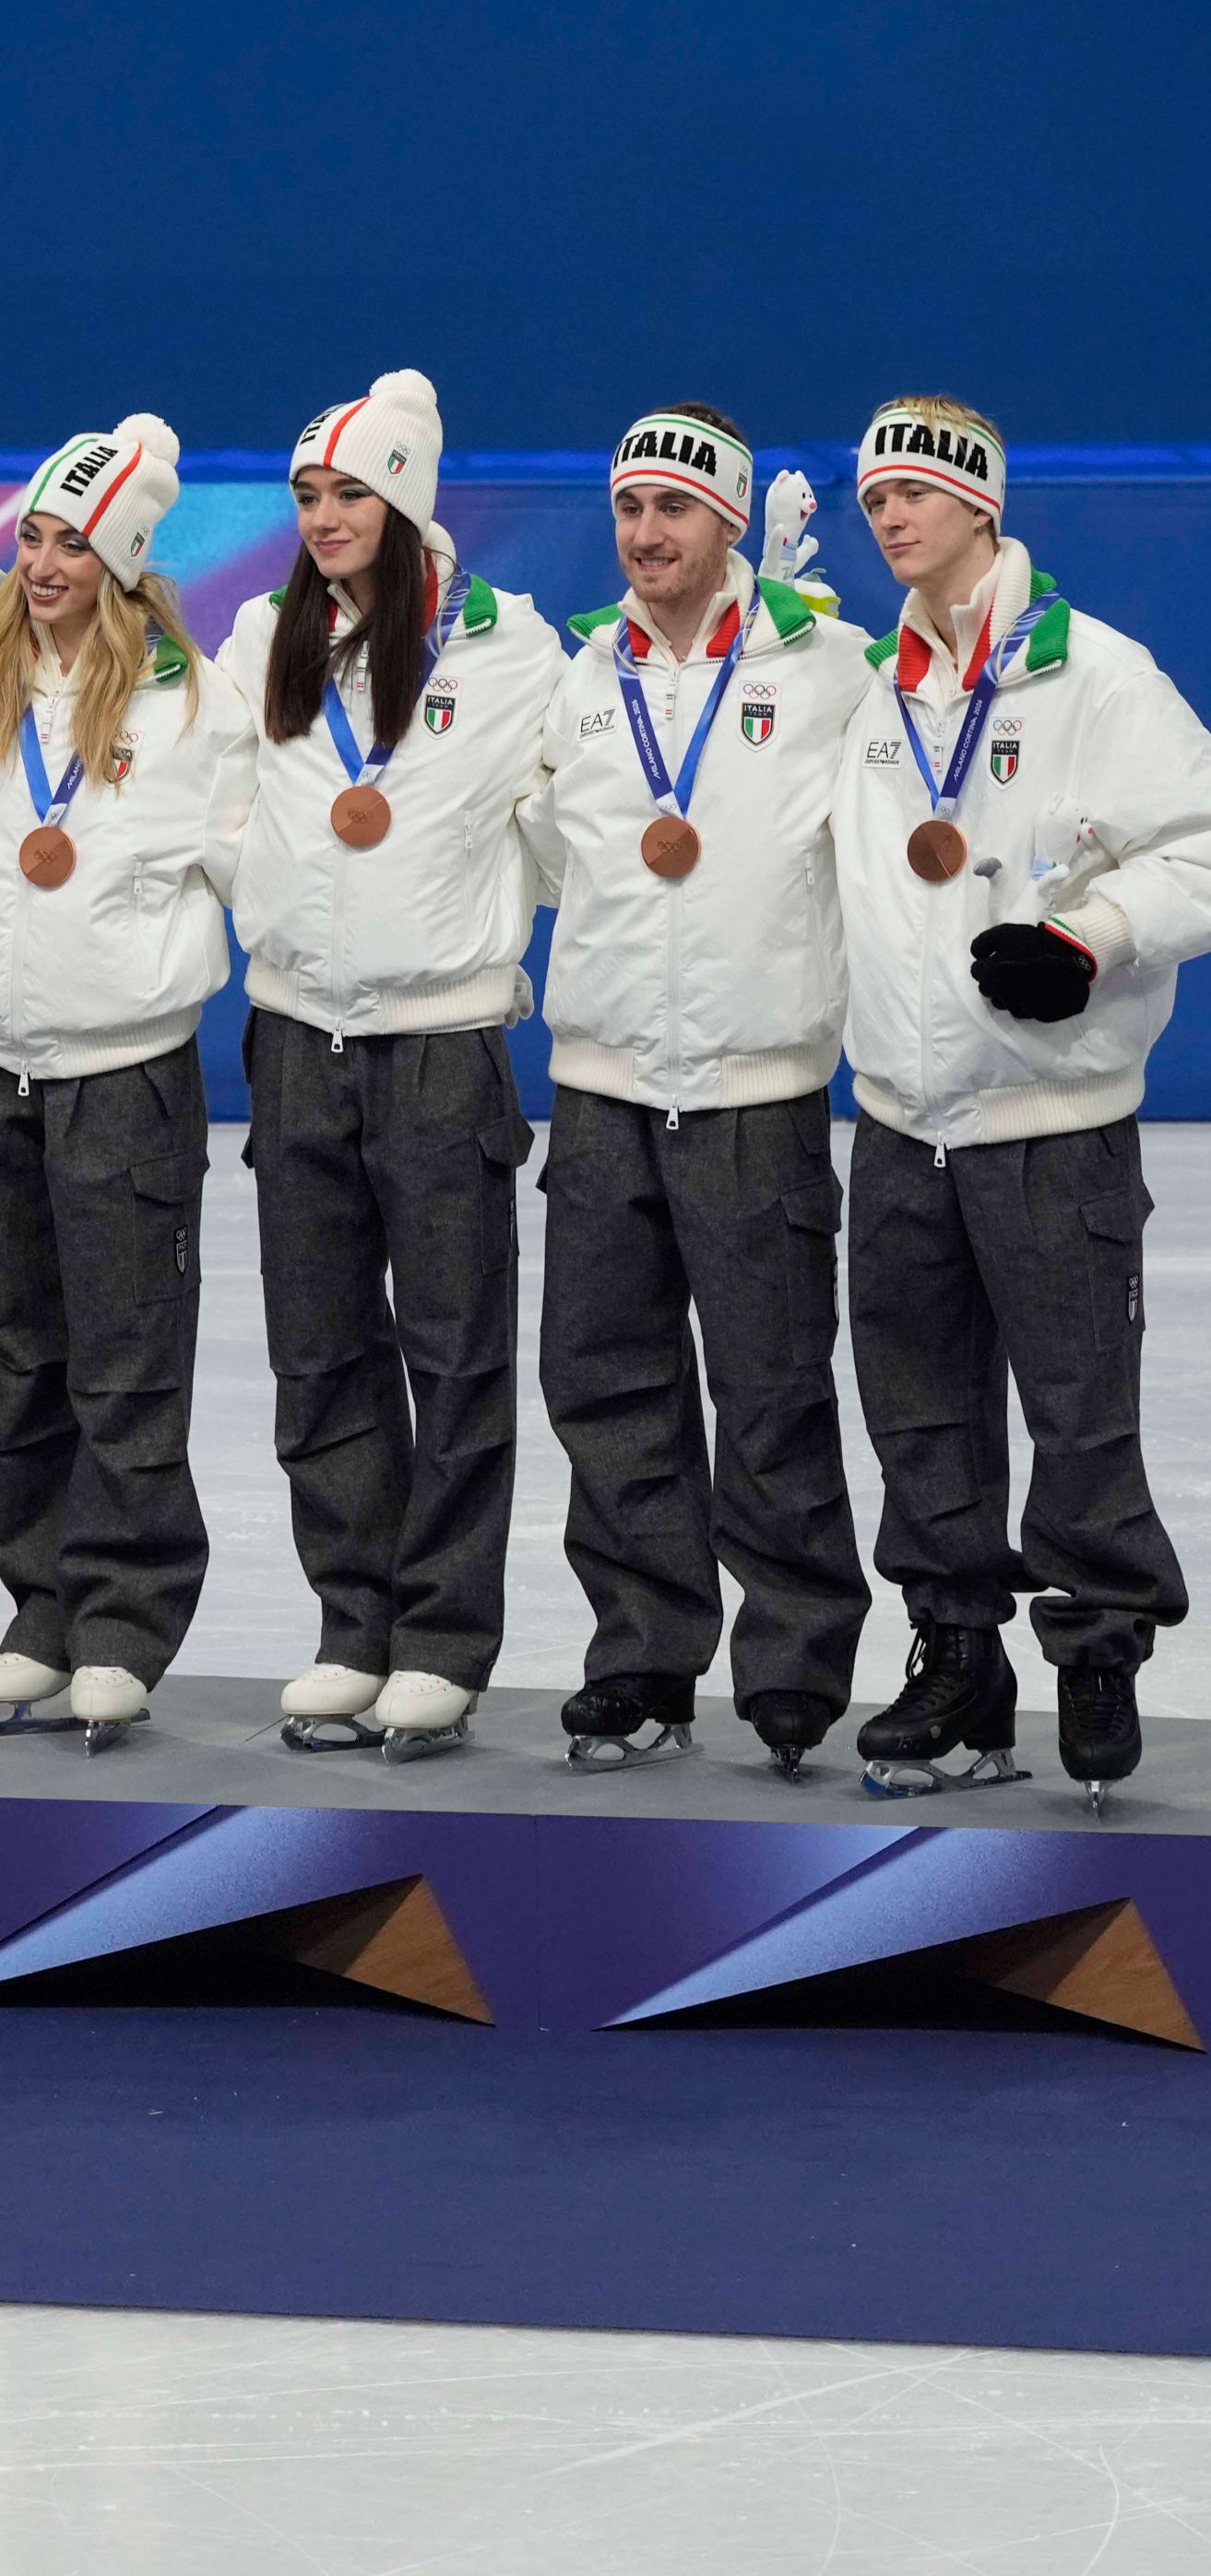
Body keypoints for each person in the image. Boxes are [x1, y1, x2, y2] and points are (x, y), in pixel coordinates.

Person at [834, 395, 1211, 1807]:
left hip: (1051, 1120)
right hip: (897, 1116)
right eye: (875, 498)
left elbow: (1200, 845)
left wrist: (1090, 938)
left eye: (915, 492)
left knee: (1077, 1412)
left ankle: (1097, 1653)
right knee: (917, 1416)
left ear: (981, 505)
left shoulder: (1096, 676)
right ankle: (955, 1657)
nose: (890, 515)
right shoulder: (867, 691)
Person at [521, 407, 875, 1775]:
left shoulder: (828, 669)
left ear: (728, 520)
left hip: (754, 1084)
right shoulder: (582, 675)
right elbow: (551, 849)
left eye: (673, 507)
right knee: (604, 1384)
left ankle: (792, 1662)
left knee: (772, 1386)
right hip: (602, 1085)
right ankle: (643, 1658)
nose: (644, 532)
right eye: (627, 508)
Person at [219, 371, 564, 1757]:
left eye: (350, 493)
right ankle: (350, 1623)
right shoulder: (265, 635)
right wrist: (264, 893)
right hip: (295, 1039)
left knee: (454, 1355)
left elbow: (566, 817)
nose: (322, 517)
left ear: (407, 500)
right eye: (307, 494)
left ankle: (443, 1636)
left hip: (439, 1046)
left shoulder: (510, 647)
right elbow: (216, 796)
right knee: (318, 1354)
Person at [0, 418, 255, 1746]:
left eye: (74, 542)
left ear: (123, 557)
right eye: (34, 537)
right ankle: (40, 1608)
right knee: (21, 1362)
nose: (45, 563)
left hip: (124, 1075)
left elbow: (256, 866)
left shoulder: (193, 705)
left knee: (125, 1365)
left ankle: (123, 1616)